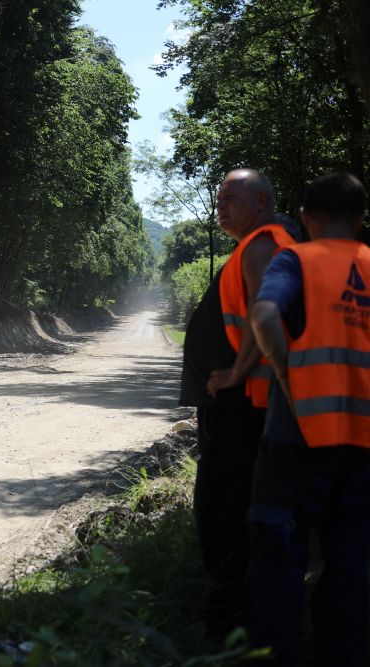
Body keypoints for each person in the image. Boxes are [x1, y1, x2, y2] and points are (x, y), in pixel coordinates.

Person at [248, 172, 370, 666]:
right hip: (363, 444)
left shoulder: (295, 257)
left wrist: (282, 369)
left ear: (304, 218)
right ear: (361, 219)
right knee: (353, 566)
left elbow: (263, 315)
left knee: (277, 558)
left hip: (294, 437)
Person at [180, 168, 294, 627]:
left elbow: (263, 315)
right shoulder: (255, 244)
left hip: (246, 405)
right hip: (241, 405)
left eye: (232, 197)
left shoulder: (263, 244)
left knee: (224, 509)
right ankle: (233, 607)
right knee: (224, 505)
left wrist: (236, 373)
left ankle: (230, 616)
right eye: (219, 197)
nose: (220, 205)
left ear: (263, 202)